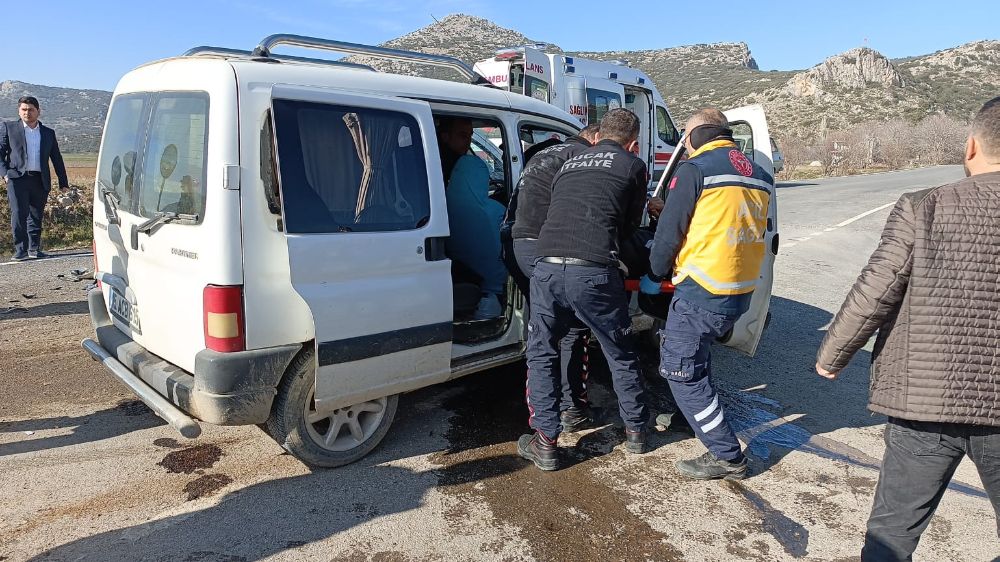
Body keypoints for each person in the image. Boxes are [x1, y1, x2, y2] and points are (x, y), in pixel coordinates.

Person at [815, 96, 1000, 561]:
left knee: (892, 536)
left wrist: (833, 354)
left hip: (925, 401)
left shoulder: (924, 207)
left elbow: (877, 288)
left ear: (971, 145)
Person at [641, 108, 772, 480]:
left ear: (698, 134)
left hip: (702, 285)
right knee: (698, 359)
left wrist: (653, 274)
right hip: (739, 289)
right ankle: (691, 418)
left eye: (685, 135)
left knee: (681, 371)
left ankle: (726, 455)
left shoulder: (695, 169)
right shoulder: (756, 174)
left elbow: (669, 233)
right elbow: (722, 219)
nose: (683, 143)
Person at [519, 109, 650, 471]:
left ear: (597, 134)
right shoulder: (632, 165)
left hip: (545, 266)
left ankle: (545, 442)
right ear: (633, 142)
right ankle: (636, 431)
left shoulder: (569, 161)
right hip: (592, 270)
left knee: (542, 353)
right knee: (619, 351)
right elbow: (628, 227)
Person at [506, 124, 600, 432]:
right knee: (572, 330)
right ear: (596, 138)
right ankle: (569, 409)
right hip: (549, 246)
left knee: (544, 330)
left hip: (515, 242)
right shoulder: (586, 157)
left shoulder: (547, 151)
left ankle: (544, 417)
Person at [437, 116, 508, 320]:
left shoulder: (455, 168)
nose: (467, 142)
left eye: (470, 136)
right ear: (445, 136)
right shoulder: (445, 164)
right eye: (462, 135)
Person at [1, 96, 68, 261]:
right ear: (19, 111)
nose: (27, 113)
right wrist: (5, 173)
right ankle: (20, 250)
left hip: (40, 179)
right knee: (18, 214)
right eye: (23, 109)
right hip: (17, 179)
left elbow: (56, 158)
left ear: (38, 111)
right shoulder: (9, 128)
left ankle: (34, 249)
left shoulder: (48, 133)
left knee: (36, 215)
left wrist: (63, 182)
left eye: (30, 109)